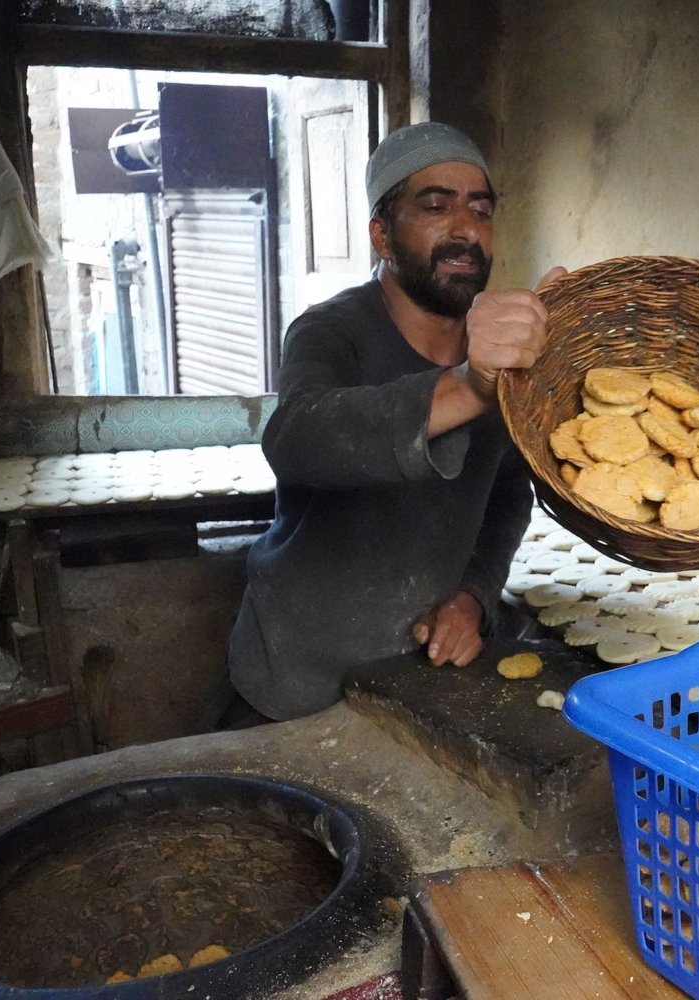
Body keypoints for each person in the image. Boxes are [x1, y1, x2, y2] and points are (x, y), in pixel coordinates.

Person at [207, 122, 565, 729]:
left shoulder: (505, 358)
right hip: (297, 680)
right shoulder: (331, 332)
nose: (465, 230)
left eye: (481, 212)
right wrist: (466, 388)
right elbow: (299, 438)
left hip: (422, 675)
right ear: (382, 234)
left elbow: (506, 493)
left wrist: (473, 596)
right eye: (434, 206)